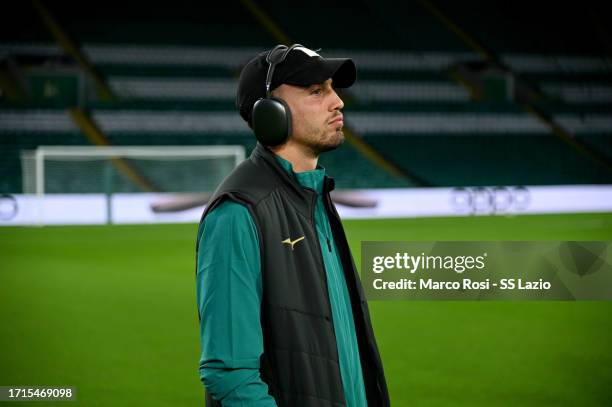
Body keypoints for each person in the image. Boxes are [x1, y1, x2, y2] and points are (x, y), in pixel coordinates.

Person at [196, 44, 390, 407]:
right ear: (270, 112)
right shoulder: (239, 212)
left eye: (333, 89)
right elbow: (230, 374)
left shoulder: (315, 196)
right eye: (317, 92)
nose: (338, 102)